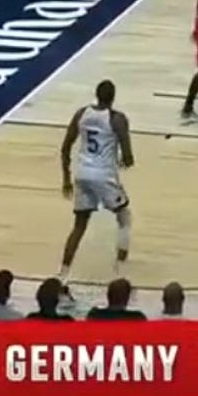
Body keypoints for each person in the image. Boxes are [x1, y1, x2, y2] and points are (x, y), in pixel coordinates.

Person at [57, 79, 135, 282]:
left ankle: (63, 274)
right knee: (124, 217)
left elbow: (65, 148)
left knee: (79, 226)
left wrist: (66, 180)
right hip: (103, 175)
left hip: (81, 174)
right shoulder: (117, 119)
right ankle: (120, 272)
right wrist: (122, 160)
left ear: (96, 94)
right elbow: (128, 157)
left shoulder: (81, 113)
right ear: (113, 97)